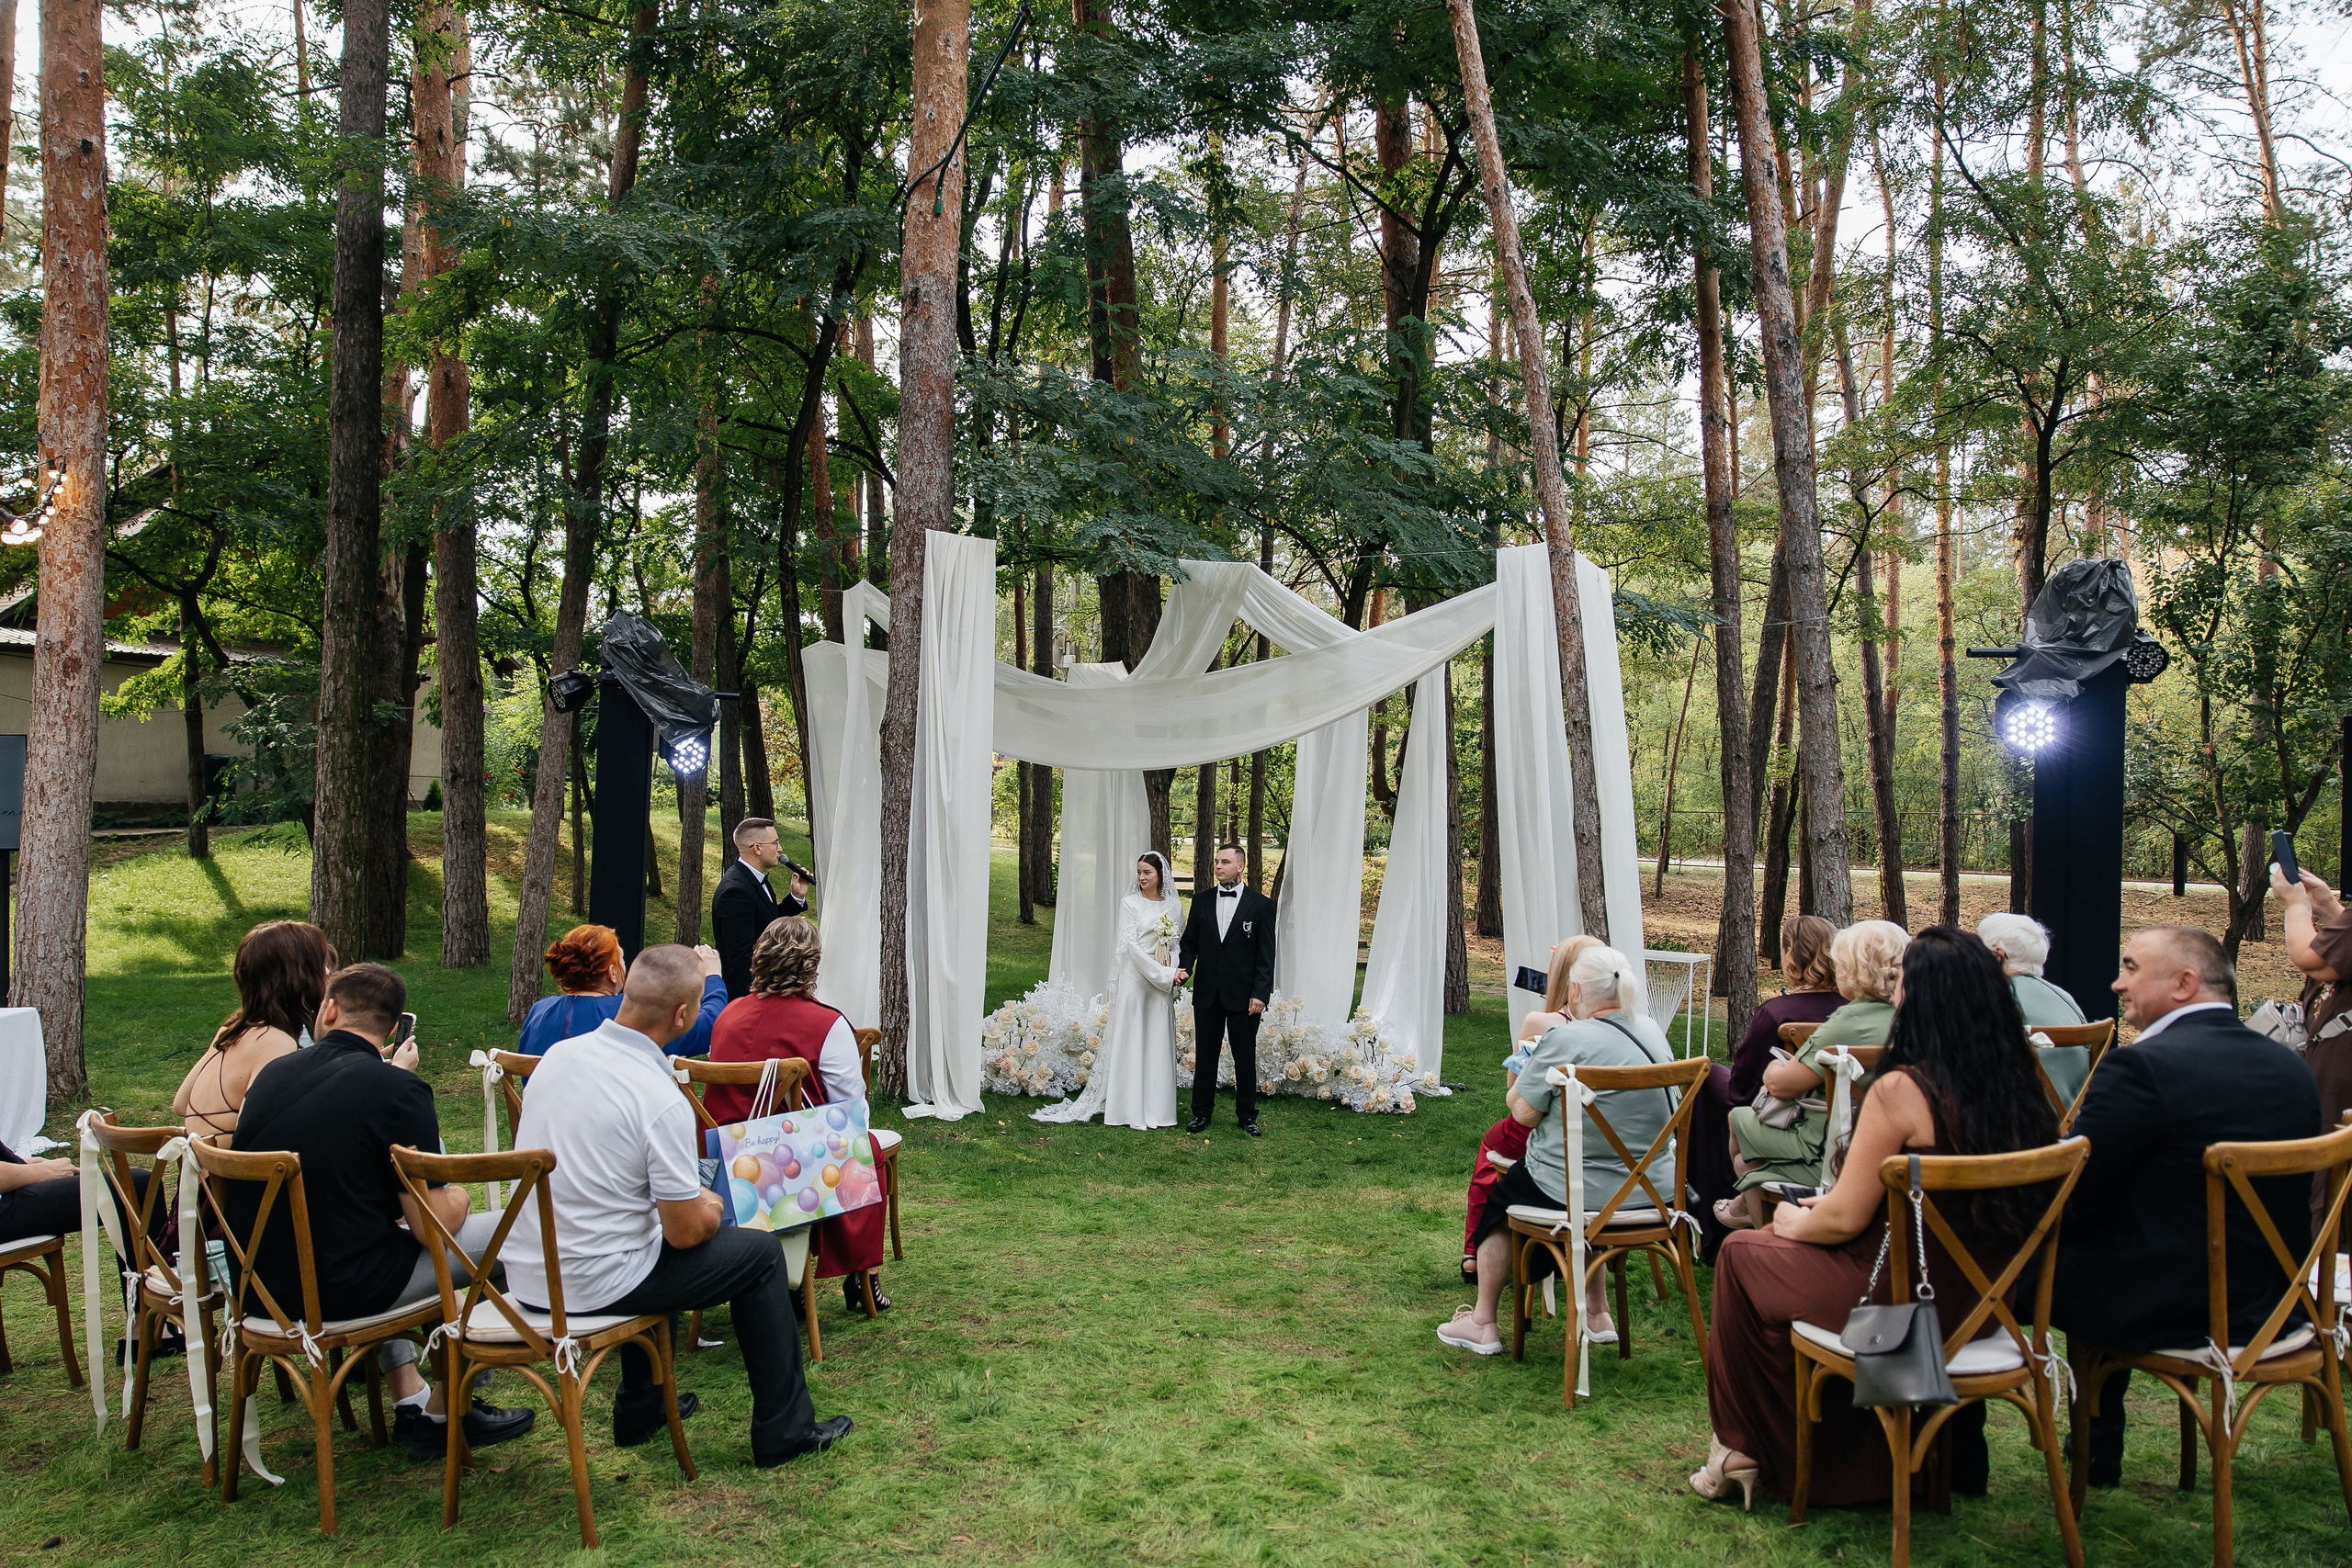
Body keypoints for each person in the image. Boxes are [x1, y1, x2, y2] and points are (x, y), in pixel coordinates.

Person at [1693, 926, 2058, 1510]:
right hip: (1991, 1312)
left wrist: (1789, 1221)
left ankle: (1752, 1448)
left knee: (1742, 1254)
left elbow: (1839, 1221)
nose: (1896, 993)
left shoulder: (1901, 1092)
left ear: (1923, 997)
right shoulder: (2023, 1088)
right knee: (1775, 1269)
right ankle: (1830, 1454)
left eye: (1905, 983)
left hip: (1901, 1310)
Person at [505, 944, 852, 1466]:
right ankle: (785, 1430)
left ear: (625, 990)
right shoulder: (658, 1094)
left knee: (646, 1233)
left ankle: (642, 1404)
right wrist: (709, 1204)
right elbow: (686, 1233)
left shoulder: (559, 1058)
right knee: (756, 1255)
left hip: (529, 1271)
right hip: (592, 1281)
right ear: (685, 1015)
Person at [226, 963, 535, 1461]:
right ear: (393, 1028)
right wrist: (456, 1194)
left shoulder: (270, 1076)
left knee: (386, 1239)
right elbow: (431, 1223)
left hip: (259, 1287)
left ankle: (412, 1396)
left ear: (329, 1010)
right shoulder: (397, 1090)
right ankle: (445, 1408)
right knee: (515, 1229)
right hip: (343, 1288)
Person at [2056, 924, 2322, 1487]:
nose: (2115, 983)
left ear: (2183, 983)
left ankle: (1970, 1459)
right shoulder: (2290, 1067)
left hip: (2172, 1305)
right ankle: (2094, 1449)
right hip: (2279, 1302)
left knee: (2012, 1263)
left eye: (2129, 968)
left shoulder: (2141, 1068)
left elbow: (2074, 1195)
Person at [1438, 946, 1678, 1356]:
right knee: (1592, 1187)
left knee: (1500, 1203)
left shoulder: (1566, 1038)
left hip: (1581, 1192)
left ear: (1577, 989)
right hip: (1655, 1193)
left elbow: (1522, 1111)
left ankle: (1481, 1323)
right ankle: (1599, 1315)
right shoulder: (1653, 1031)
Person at [707, 916, 890, 1314]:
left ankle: (787, 1275)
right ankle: (864, 1274)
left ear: (759, 961)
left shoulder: (727, 1017)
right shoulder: (826, 1023)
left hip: (725, 1162)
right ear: (812, 967)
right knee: (867, 1148)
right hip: (790, 1169)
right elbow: (851, 1111)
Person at [1720, 920, 1909, 1205]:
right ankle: (1752, 1197)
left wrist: (1773, 1069)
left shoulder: (1849, 1021)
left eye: (1842, 963)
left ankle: (1751, 1209)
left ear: (1855, 970)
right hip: (1889, 1144)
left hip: (1828, 1147)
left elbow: (1782, 1087)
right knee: (1749, 1161)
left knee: (1738, 1120)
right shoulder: (1909, 1018)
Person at [1689, 917, 1843, 1258]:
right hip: (1844, 1123)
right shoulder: (1852, 1010)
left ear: (1791, 957)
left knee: (1709, 1085)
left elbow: (1743, 1090)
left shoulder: (1777, 1013)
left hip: (1784, 1116)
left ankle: (1711, 1229)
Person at [1457, 934, 1602, 1283]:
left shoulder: (1542, 1022)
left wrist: (1548, 1011)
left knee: (1492, 1144)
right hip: (1599, 1141)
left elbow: (1515, 1091)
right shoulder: (1614, 1029)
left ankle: (1474, 1253)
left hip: (1545, 1135)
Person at [1036, 852, 1182, 1132]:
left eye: (1147, 873)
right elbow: (1131, 946)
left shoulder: (1174, 906)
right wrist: (1162, 974)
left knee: (1156, 1038)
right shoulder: (1130, 904)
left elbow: (1176, 942)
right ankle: (1126, 1108)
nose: (1141, 878)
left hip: (1161, 982)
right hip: (1136, 978)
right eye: (1138, 872)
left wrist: (1173, 969)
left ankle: (1158, 1109)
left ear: (1160, 875)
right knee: (1132, 1038)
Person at [173, 920, 336, 1144]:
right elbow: (257, 1132)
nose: (328, 972)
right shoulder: (275, 1041)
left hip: (203, 1172)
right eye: (320, 964)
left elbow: (182, 1103)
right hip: (237, 1175)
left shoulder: (234, 1027)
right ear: (298, 977)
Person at [1173, 843, 1277, 1136]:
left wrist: (1260, 993)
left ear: (1241, 867)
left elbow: (1266, 954)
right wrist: (1185, 967)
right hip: (1208, 992)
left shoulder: (1260, 905)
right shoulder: (1201, 901)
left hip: (1245, 996)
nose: (1218, 866)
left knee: (1245, 1054)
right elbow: (1189, 941)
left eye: (1225, 862)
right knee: (1206, 1055)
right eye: (1216, 861)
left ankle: (1247, 1115)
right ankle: (1201, 1113)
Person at [2275, 863, 2352, 1243]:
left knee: (2327, 1172)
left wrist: (2295, 906)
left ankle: (2318, 1287)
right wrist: (2328, 906)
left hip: (2342, 1071)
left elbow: (2313, 961)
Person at [517, 925, 726, 1059]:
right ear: (612, 974)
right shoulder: (626, 1013)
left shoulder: (539, 1011)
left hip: (541, 1124)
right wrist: (713, 977)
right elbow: (706, 1028)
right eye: (622, 961)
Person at [1981, 912, 2094, 1104]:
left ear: (1998, 956)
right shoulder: (2066, 999)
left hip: (2016, 1126)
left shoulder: (1989, 1001)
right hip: (2070, 1126)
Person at [712, 818, 809, 1001]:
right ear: (757, 848)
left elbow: (767, 924)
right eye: (775, 843)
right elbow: (741, 959)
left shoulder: (753, 878)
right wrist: (759, 1001)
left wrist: (796, 897)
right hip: (747, 997)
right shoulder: (735, 892)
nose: (780, 849)